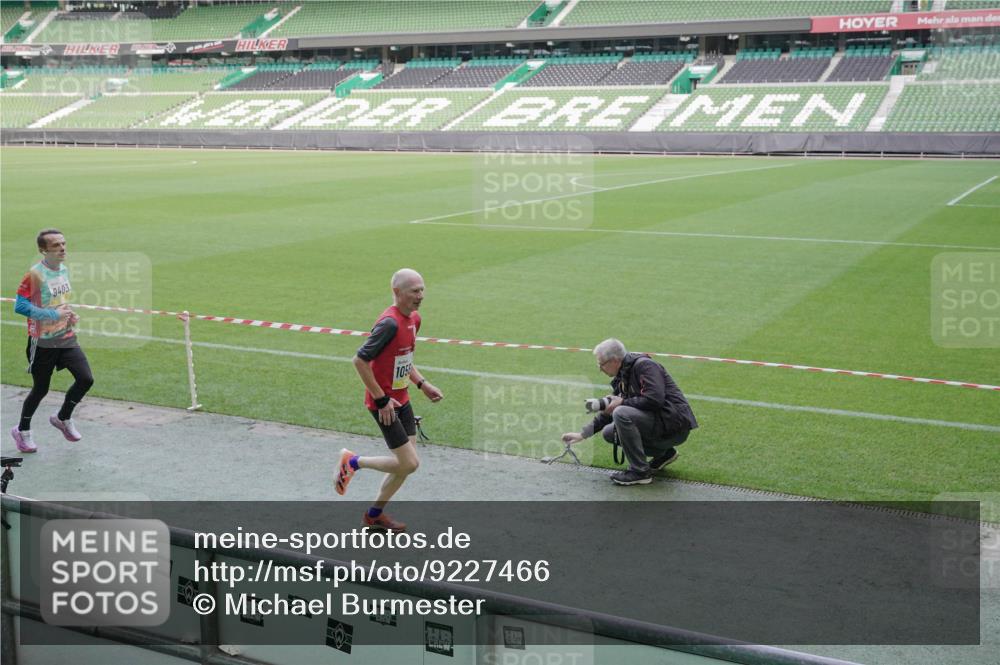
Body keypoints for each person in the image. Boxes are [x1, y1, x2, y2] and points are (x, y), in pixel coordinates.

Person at [334, 268, 443, 532]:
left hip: (402, 398)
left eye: (422, 290)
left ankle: (374, 515)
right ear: (397, 292)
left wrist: (421, 383)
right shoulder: (389, 323)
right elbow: (359, 360)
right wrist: (382, 400)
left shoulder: (414, 320)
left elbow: (403, 358)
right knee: (409, 464)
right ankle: (353, 461)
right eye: (414, 291)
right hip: (385, 405)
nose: (420, 296)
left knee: (404, 467)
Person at [562, 338, 697, 486]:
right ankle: (665, 453)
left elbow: (655, 399)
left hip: (675, 427)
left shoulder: (645, 365)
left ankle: (640, 472)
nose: (600, 368)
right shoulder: (624, 374)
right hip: (661, 424)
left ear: (614, 360)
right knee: (609, 432)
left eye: (601, 364)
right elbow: (609, 412)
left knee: (621, 413)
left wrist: (622, 402)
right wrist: (582, 434)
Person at [9, 229, 94, 454]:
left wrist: (69, 314)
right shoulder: (34, 275)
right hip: (43, 341)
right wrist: (53, 316)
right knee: (41, 389)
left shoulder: (63, 269)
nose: (62, 248)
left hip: (65, 337)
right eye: (56, 245)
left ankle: (62, 417)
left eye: (64, 243)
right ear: (43, 250)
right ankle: (22, 431)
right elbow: (20, 306)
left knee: (86, 379)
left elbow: (59, 300)